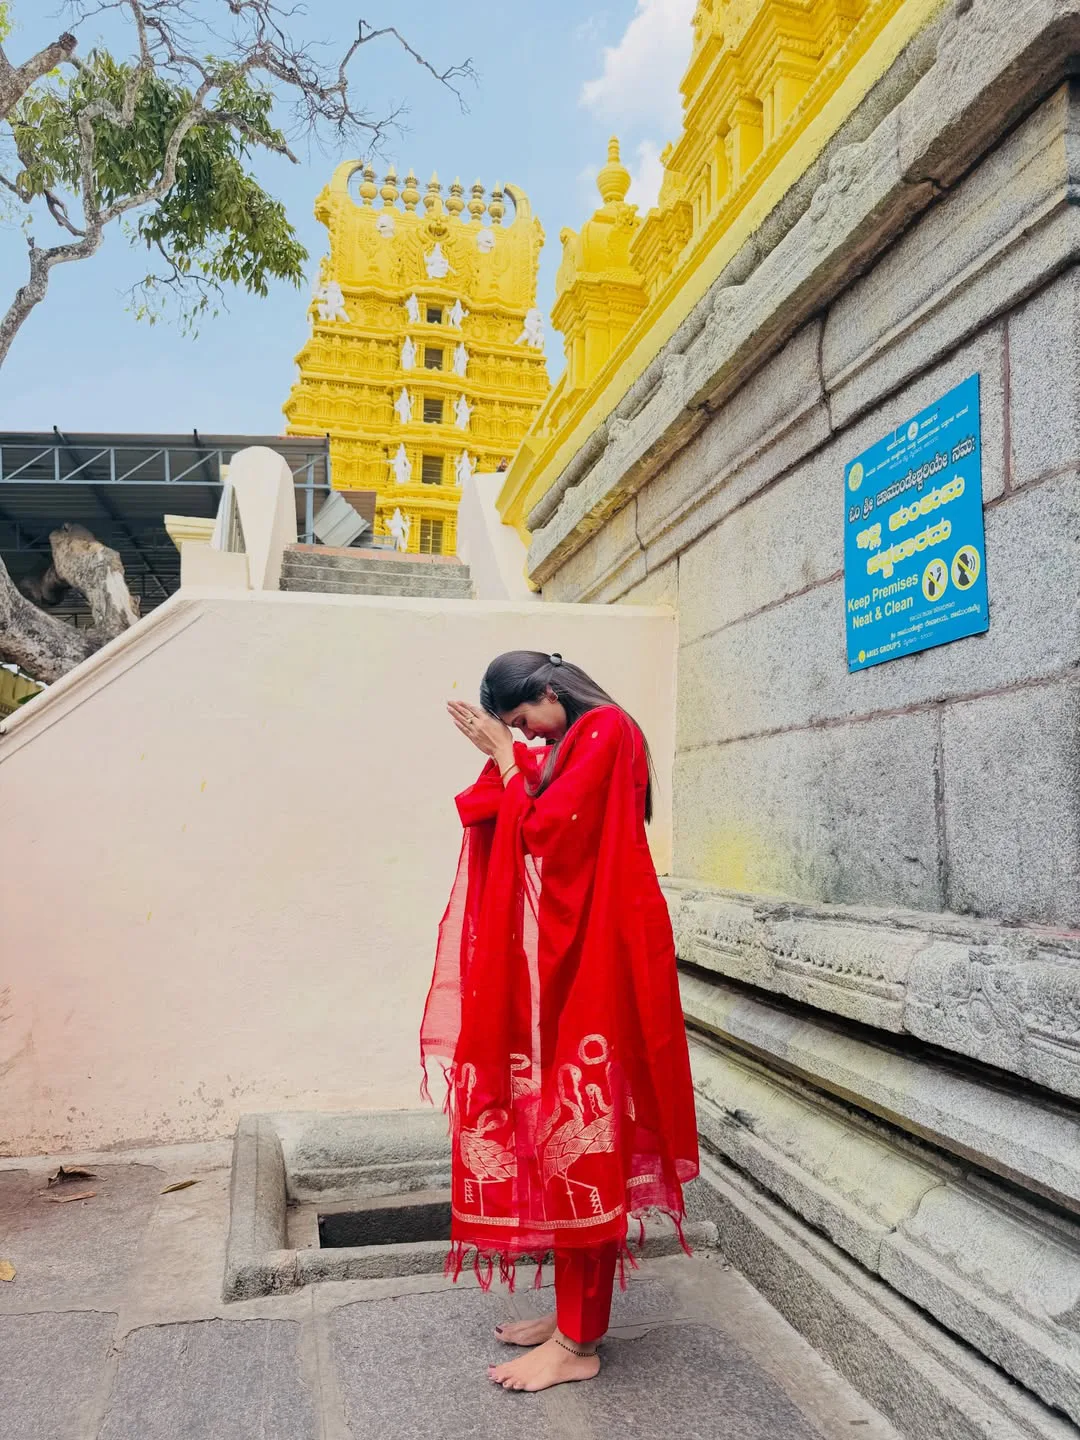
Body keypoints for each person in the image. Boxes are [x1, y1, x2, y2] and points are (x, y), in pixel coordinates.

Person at [420, 651, 699, 1393]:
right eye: (517, 730)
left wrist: (506, 758)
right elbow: (522, 798)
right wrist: (506, 760)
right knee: (568, 1131)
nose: (527, 736)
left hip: (609, 947)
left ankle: (577, 1342)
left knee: (586, 1131)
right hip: (589, 943)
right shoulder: (581, 740)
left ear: (549, 692)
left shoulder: (604, 729)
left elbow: (547, 828)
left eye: (524, 720)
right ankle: (573, 1318)